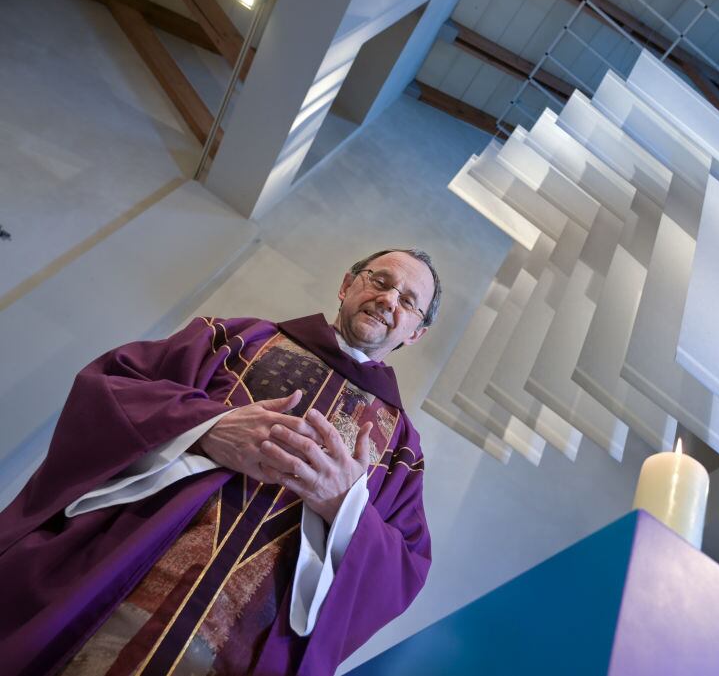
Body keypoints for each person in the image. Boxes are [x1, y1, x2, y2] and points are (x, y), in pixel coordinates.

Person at [0, 248, 441, 675]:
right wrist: (207, 427)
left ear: (415, 333)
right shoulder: (235, 340)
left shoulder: (402, 449)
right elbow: (112, 386)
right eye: (380, 282)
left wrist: (344, 507)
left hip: (242, 647)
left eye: (407, 301)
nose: (388, 300)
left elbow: (404, 567)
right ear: (346, 285)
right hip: (120, 578)